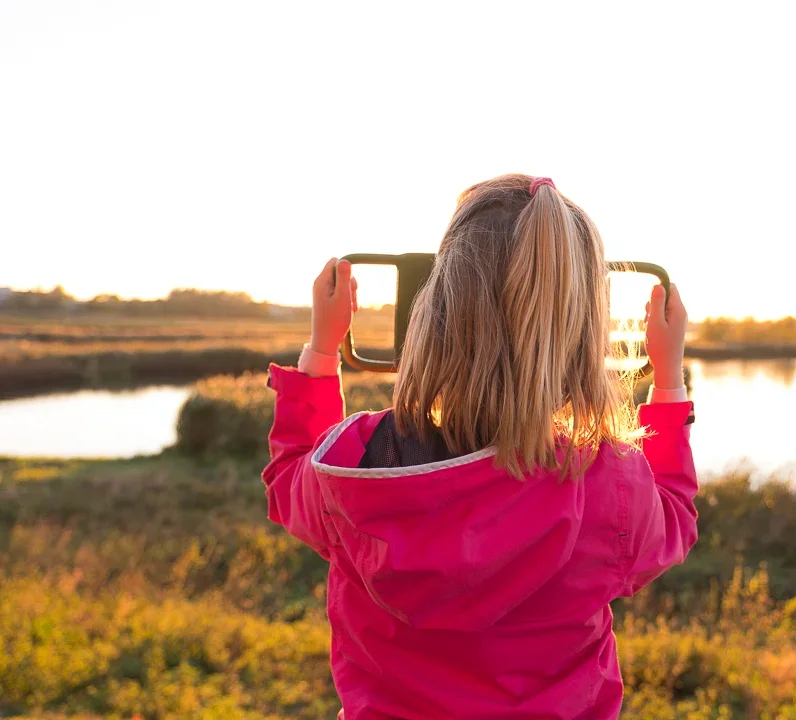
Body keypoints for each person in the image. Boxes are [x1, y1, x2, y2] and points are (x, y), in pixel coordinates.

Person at [262, 174, 698, 719]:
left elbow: (288, 482)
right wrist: (668, 380)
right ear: (582, 335)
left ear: (433, 309)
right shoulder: (607, 481)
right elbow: (675, 520)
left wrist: (323, 351)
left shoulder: (357, 466)